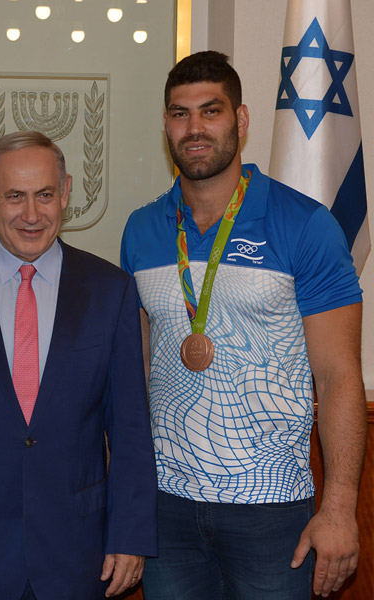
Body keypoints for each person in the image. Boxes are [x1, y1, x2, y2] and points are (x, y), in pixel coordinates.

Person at [120, 51, 366, 599]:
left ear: (242, 120)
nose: (195, 128)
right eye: (179, 114)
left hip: (273, 513)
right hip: (167, 511)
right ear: (165, 125)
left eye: (211, 111)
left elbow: (339, 378)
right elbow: (134, 372)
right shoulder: (141, 231)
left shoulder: (305, 226)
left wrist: (340, 508)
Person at [0, 131, 157, 600]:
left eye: (45, 195)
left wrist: (130, 534)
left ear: (67, 194)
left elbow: (131, 430)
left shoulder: (110, 291)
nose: (32, 215)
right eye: (15, 196)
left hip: (79, 552)